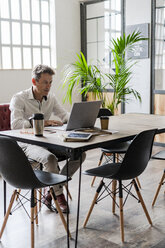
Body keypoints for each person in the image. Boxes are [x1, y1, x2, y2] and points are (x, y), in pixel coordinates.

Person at [10, 64, 86, 213]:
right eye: (45, 82)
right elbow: (15, 125)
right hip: (26, 143)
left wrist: (79, 119)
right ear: (34, 81)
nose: (49, 86)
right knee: (50, 159)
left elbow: (64, 115)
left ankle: (51, 190)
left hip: (46, 141)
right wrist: (41, 123)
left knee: (80, 154)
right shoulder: (19, 98)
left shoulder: (51, 98)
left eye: (50, 82)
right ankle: (59, 195)